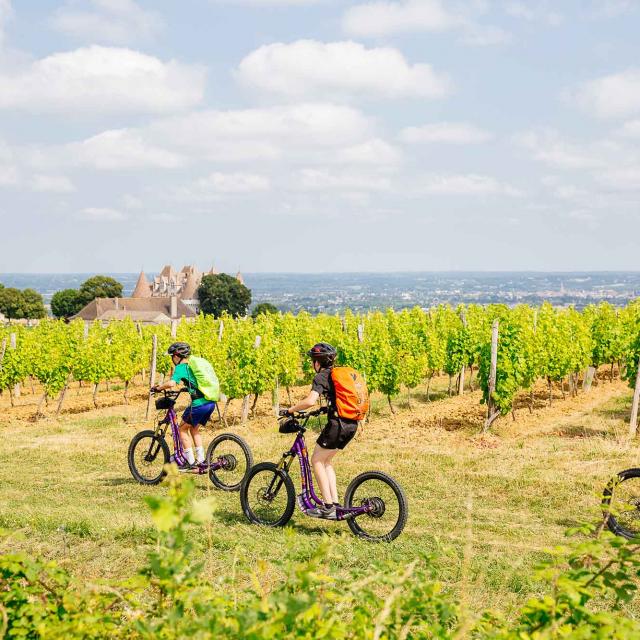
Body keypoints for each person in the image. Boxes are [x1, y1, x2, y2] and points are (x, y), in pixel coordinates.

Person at [285, 342, 358, 520]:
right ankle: (334, 503)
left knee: (317, 460)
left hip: (337, 425)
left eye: (312, 361)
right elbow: (336, 399)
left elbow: (310, 400)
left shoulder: (321, 377)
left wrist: (290, 410)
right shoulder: (336, 375)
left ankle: (327, 506)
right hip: (351, 424)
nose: (312, 364)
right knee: (326, 462)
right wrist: (323, 410)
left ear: (317, 362)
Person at [151, 342, 216, 471]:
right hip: (210, 402)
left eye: (172, 357)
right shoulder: (192, 365)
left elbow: (171, 383)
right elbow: (194, 382)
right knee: (193, 429)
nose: (172, 360)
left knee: (182, 429)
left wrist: (158, 388)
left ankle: (190, 462)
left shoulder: (181, 367)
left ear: (176, 356)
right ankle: (201, 460)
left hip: (199, 404)